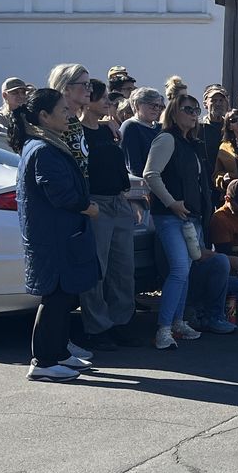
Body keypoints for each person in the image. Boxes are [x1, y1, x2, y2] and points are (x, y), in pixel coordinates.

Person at [10, 88, 100, 381]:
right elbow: (60, 194)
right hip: (54, 238)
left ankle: (59, 352)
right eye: (62, 110)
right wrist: (88, 208)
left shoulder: (44, 144)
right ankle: (44, 361)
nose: (68, 114)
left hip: (61, 235)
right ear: (44, 116)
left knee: (65, 296)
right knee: (55, 298)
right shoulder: (42, 149)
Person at [145, 90, 229, 350]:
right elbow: (150, 174)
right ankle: (164, 329)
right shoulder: (167, 139)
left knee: (187, 269)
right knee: (180, 269)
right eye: (188, 109)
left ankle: (178, 322)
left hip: (190, 216)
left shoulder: (191, 143)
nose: (194, 115)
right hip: (170, 216)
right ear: (174, 113)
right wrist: (171, 202)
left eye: (195, 110)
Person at [77, 79, 138, 350]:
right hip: (96, 203)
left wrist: (128, 199)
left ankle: (121, 322)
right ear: (88, 101)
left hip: (119, 201)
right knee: (97, 269)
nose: (107, 103)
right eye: (102, 98)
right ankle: (97, 327)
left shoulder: (108, 129)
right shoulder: (76, 132)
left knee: (123, 268)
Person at [47, 64, 92, 177]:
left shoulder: (73, 118)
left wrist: (106, 123)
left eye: (89, 85)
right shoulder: (56, 121)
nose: (90, 90)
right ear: (66, 88)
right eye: (85, 85)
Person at [119, 88, 164, 177]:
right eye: (152, 105)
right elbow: (134, 167)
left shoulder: (160, 128)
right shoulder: (130, 127)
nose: (156, 109)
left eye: (159, 106)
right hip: (145, 181)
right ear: (137, 105)